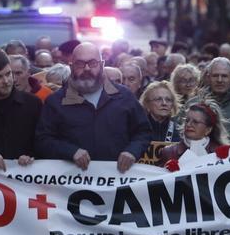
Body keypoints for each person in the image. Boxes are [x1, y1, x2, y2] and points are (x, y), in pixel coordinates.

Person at [35, 42, 151, 173]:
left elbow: (143, 132)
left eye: (92, 63)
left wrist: (132, 151)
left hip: (117, 181)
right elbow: (42, 140)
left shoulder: (124, 96)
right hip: (71, 183)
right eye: (80, 64)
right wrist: (70, 151)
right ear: (71, 66)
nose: (87, 69)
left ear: (102, 65)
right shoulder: (55, 102)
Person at [159, 100, 230, 169]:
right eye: (187, 120)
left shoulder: (224, 153)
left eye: (195, 122)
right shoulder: (168, 152)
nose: (189, 125)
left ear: (208, 130)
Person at [190, 57, 230, 143]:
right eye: (215, 76)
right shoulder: (192, 105)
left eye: (224, 76)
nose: (219, 80)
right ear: (208, 78)